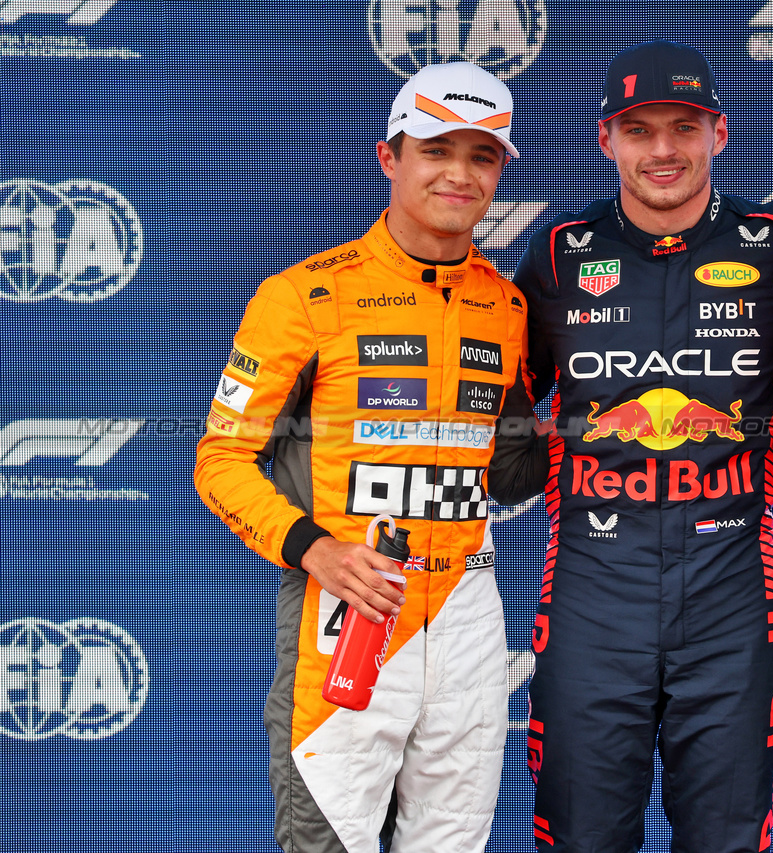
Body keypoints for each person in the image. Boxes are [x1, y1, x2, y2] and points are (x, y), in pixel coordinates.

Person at [193, 61, 532, 853]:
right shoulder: (303, 296)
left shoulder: (507, 306)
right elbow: (219, 459)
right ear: (390, 157)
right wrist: (317, 549)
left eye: (482, 155)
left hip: (465, 617)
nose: (459, 172)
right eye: (435, 149)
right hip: (346, 613)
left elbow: (514, 466)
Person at [505, 39, 773, 853]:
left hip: (729, 593)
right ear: (604, 138)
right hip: (588, 594)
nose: (662, 150)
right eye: (638, 129)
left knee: (724, 837)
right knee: (579, 837)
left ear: (720, 133)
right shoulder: (556, 253)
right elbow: (501, 417)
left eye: (684, 126)